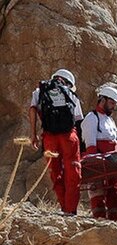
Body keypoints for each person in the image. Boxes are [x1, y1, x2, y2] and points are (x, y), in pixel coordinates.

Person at [28, 69, 83, 215]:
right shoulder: (71, 93)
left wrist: (33, 134)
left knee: (55, 172)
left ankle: (64, 207)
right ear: (69, 83)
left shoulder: (40, 91)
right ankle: (71, 210)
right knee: (73, 172)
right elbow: (78, 120)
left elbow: (32, 110)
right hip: (68, 137)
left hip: (49, 138)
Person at [81, 86, 117, 221]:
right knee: (97, 194)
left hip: (112, 162)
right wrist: (97, 166)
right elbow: (90, 145)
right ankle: (99, 222)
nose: (113, 107)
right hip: (98, 164)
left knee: (116, 193)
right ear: (102, 100)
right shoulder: (91, 118)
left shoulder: (109, 120)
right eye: (111, 103)